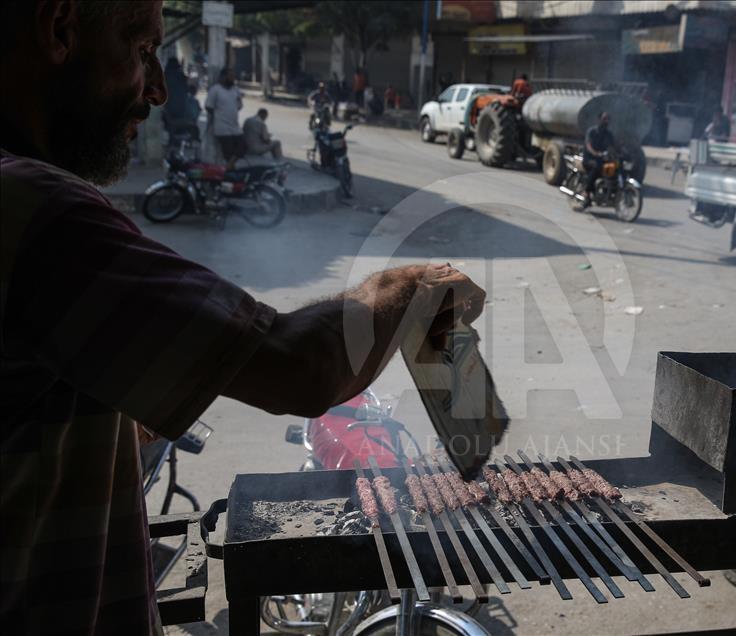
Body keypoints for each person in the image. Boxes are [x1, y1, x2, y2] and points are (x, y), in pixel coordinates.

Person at [0, 3, 486, 635]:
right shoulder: (37, 212)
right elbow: (301, 366)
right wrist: (413, 284)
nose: (157, 88)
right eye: (142, 48)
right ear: (60, 27)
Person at [205, 66, 244, 167]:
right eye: (230, 76)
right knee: (228, 151)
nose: (232, 78)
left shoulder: (235, 89)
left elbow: (239, 105)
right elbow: (209, 106)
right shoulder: (215, 90)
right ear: (223, 77)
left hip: (234, 125)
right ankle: (229, 170)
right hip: (222, 127)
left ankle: (229, 167)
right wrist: (219, 115)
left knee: (243, 146)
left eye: (233, 76)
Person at [582, 111, 615, 207]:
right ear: (599, 119)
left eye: (608, 119)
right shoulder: (592, 131)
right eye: (604, 118)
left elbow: (613, 147)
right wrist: (595, 153)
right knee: (597, 167)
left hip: (601, 158)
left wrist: (621, 154)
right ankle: (587, 193)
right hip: (589, 158)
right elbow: (588, 145)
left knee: (614, 167)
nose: (606, 121)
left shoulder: (609, 134)